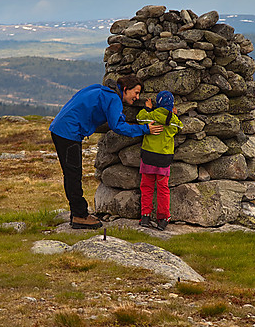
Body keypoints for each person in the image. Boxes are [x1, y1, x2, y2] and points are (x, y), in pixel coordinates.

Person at [49, 75, 164, 229]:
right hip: (68, 132)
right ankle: (79, 216)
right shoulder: (113, 99)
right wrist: (145, 129)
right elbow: (118, 126)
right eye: (135, 93)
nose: (137, 97)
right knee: (73, 174)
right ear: (125, 89)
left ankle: (77, 213)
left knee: (71, 173)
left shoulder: (99, 89)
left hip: (60, 127)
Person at [136, 90, 183, 231]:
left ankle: (145, 216)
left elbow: (140, 118)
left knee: (146, 187)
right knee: (163, 189)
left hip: (148, 157)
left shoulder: (151, 116)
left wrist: (147, 108)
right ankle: (162, 218)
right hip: (164, 159)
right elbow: (180, 127)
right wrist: (174, 114)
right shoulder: (173, 121)